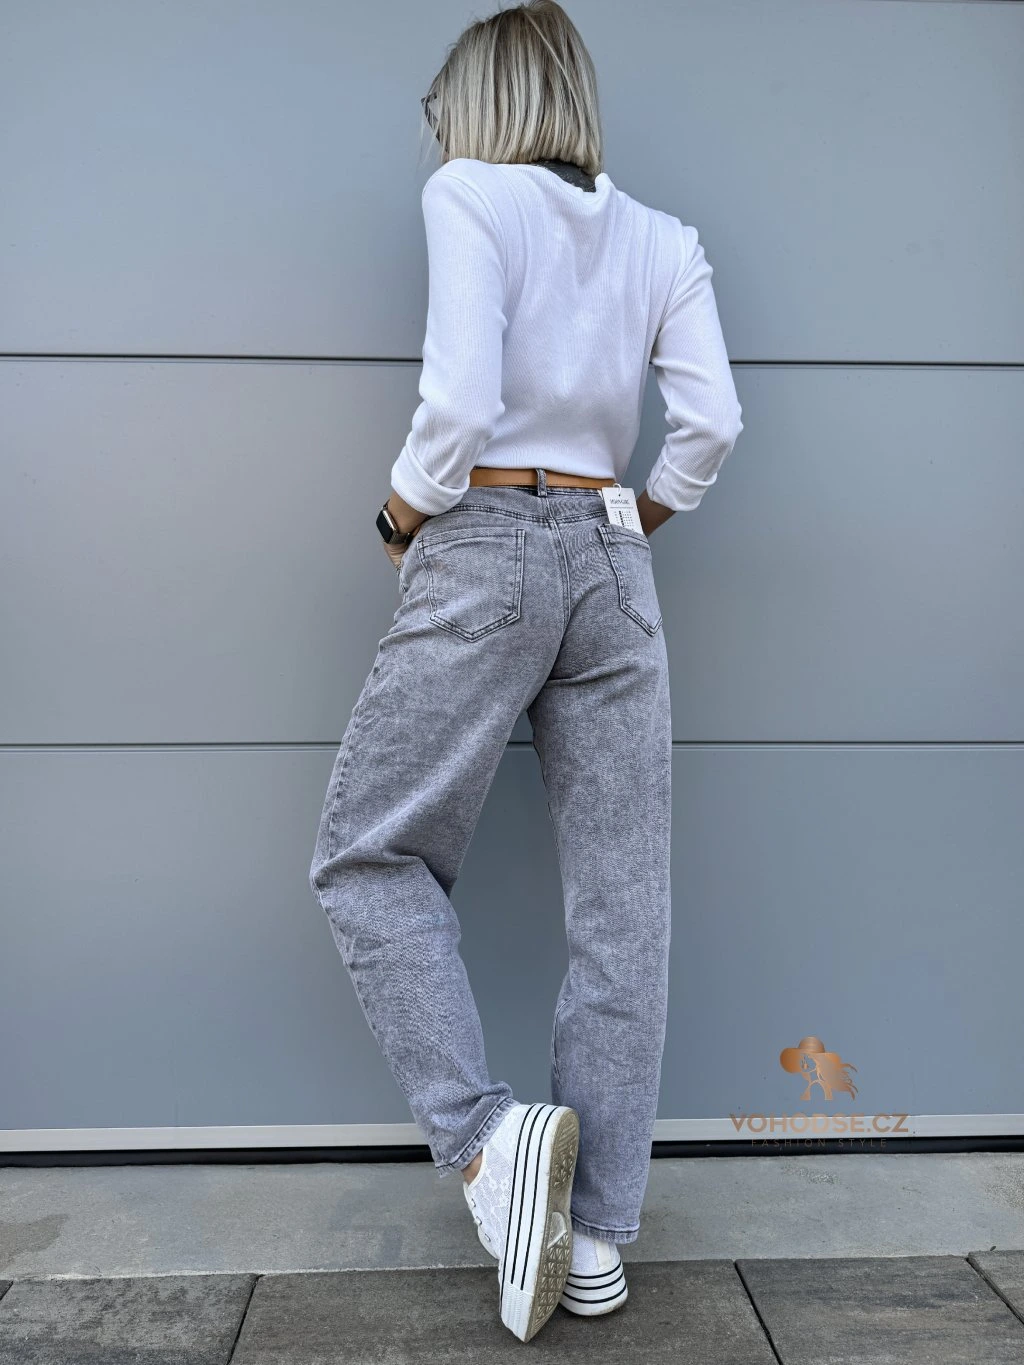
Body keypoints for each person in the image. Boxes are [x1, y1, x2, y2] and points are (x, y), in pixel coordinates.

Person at [308, 0, 743, 1342]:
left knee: (369, 855)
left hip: (484, 537)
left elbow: (456, 405)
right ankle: (597, 1239)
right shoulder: (664, 238)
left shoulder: (469, 195)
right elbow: (712, 424)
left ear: (483, 102)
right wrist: (630, 522)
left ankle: (490, 1147)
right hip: (613, 554)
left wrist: (399, 517)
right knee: (623, 912)